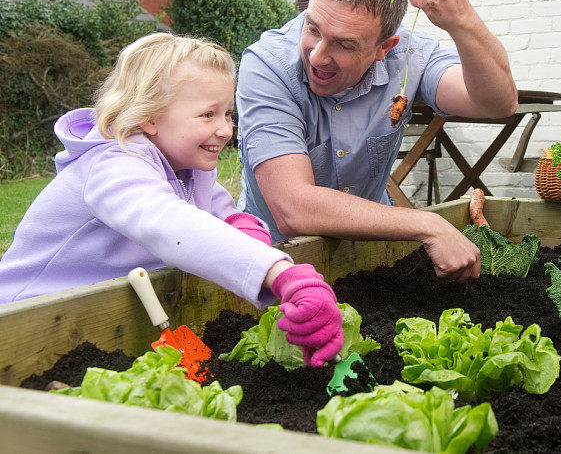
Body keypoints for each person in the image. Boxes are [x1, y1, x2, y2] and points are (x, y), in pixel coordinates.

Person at [0, 33, 342, 368]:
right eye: (207, 115)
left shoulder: (186, 165)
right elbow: (171, 224)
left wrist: (250, 238)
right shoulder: (114, 166)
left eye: (227, 113)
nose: (225, 129)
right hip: (22, 327)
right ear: (149, 117)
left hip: (92, 327)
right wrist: (282, 274)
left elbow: (221, 213)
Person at [236, 0, 518, 283]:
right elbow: (293, 206)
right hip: (272, 264)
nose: (317, 55)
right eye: (312, 27)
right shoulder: (268, 66)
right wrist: (428, 224)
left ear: (385, 47)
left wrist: (462, 19)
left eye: (344, 44)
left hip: (366, 259)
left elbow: (497, 102)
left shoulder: (409, 56)